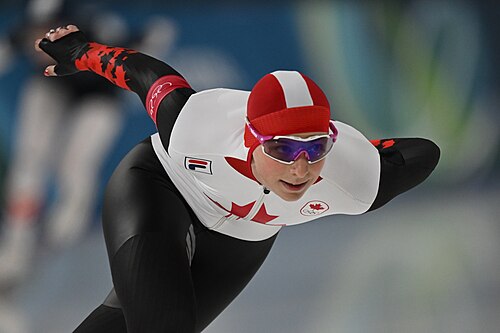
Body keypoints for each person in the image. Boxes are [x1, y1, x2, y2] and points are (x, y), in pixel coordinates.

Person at [35, 25, 440, 333]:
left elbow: (425, 152)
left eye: (314, 149)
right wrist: (83, 52)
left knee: (126, 320)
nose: (301, 169)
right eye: (282, 149)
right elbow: (145, 73)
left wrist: (361, 150)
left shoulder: (354, 177)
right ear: (251, 141)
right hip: (160, 189)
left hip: (242, 239)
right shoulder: (197, 128)